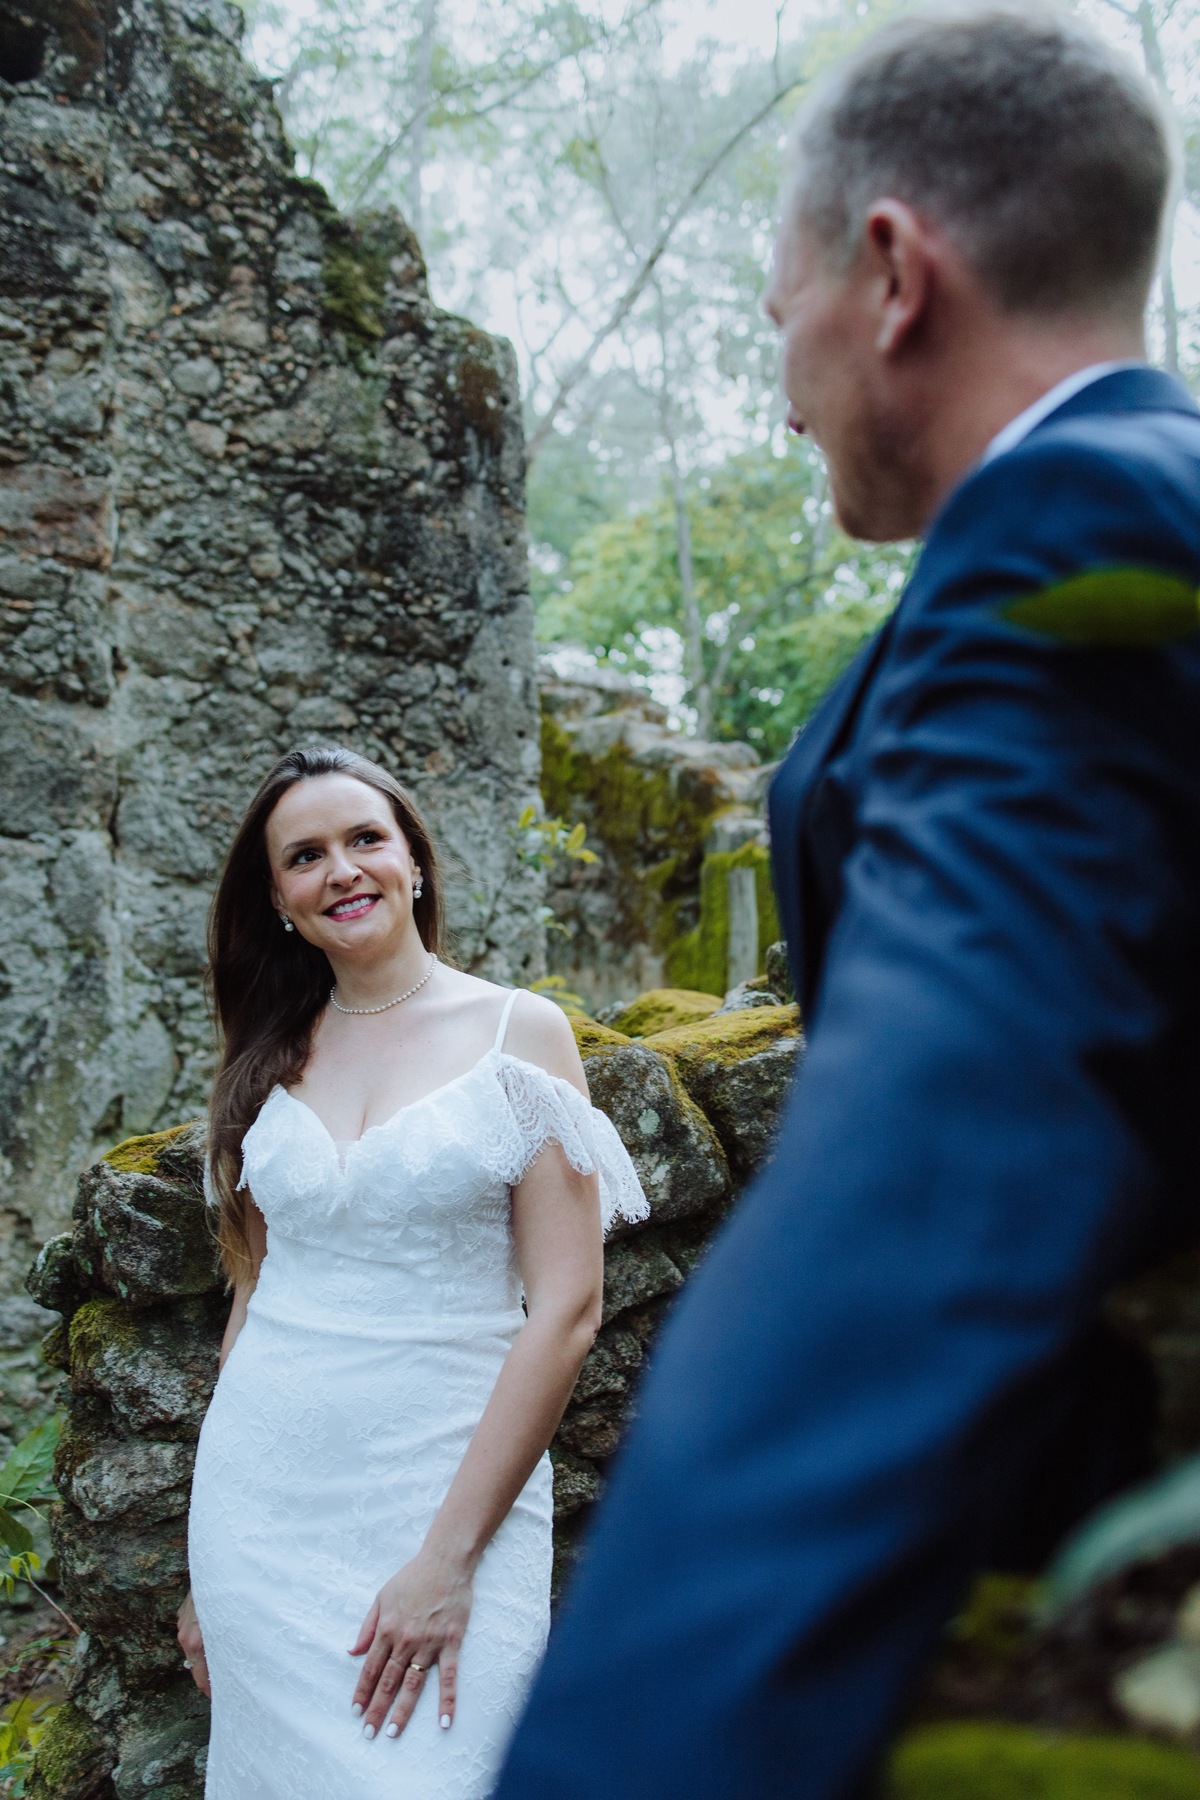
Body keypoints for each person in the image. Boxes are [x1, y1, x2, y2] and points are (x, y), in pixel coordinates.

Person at [494, 7, 1200, 1797]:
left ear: (892, 274)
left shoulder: (1066, 546)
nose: (774, 360)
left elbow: (941, 1170)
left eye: (777, 299)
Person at [176, 743, 646, 1800]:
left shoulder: (518, 1033)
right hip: (260, 1511)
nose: (340, 869)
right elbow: (254, 1297)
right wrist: (205, 1570)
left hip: (446, 1492)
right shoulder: (267, 1058)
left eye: (364, 840)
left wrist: (448, 1557)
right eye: (306, 856)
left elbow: (567, 1309)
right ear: (281, 900)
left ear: (414, 862)